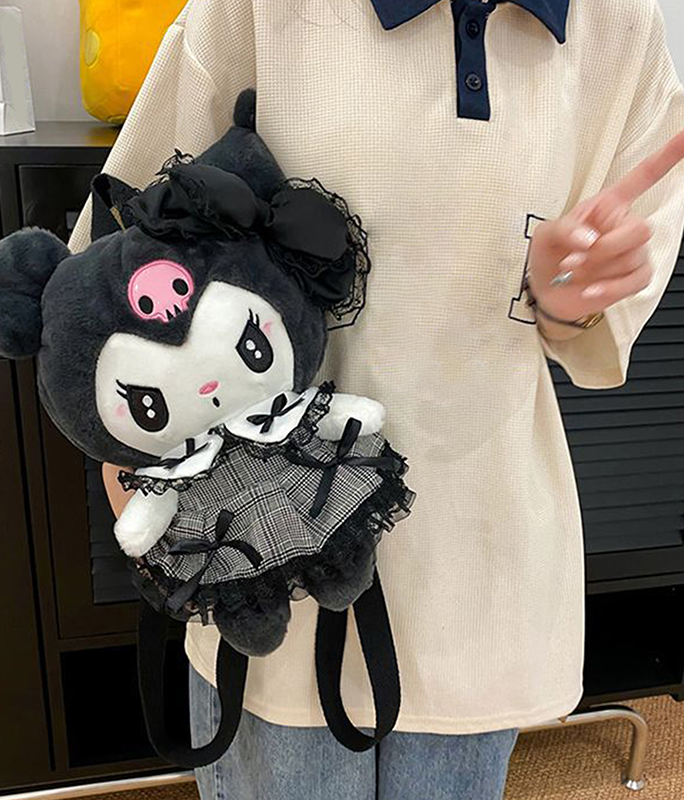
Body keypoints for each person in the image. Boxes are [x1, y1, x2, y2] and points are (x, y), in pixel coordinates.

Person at [78, 0, 684, 797]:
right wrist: (129, 463)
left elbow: (606, 293)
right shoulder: (256, 9)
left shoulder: (620, 25)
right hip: (264, 534)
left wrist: (567, 300)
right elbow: (116, 255)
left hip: (479, 541)